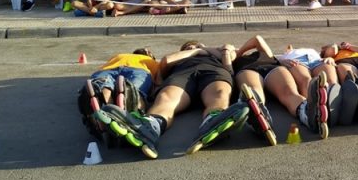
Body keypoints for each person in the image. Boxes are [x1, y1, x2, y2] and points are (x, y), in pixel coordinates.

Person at [96, 41, 249, 159]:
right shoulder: (181, 56)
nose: (192, 46)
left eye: (196, 44)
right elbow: (166, 61)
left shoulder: (217, 52)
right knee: (166, 97)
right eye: (188, 46)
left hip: (214, 72)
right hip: (184, 73)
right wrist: (197, 50)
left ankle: (214, 119)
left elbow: (230, 64)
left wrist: (224, 50)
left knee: (220, 93)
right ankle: (150, 126)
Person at [236, 36, 333, 139]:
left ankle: (309, 114)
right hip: (248, 70)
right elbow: (225, 72)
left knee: (290, 92)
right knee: (255, 90)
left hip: (272, 68)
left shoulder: (268, 55)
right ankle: (258, 116)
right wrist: (231, 56)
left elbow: (257, 39)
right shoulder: (231, 61)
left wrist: (239, 52)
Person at [78, 48, 159, 139]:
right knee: (135, 89)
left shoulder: (119, 55)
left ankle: (103, 106)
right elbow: (159, 81)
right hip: (139, 70)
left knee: (104, 84)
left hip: (107, 70)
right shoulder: (151, 61)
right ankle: (134, 112)